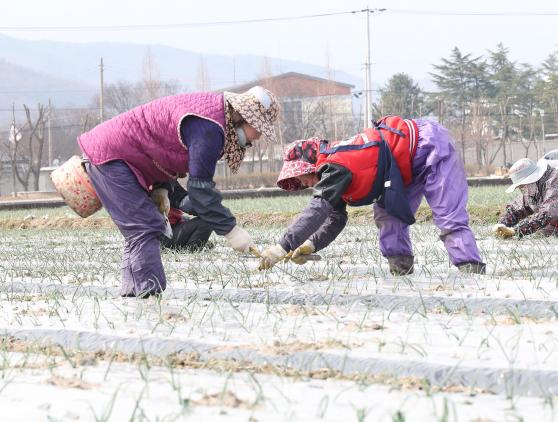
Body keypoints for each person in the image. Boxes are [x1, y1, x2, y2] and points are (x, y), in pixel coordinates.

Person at [78, 86, 280, 297]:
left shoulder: (213, 116)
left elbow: (164, 143)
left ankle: (133, 293)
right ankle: (149, 295)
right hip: (112, 155)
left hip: (114, 153)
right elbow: (199, 189)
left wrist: (162, 188)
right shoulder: (210, 128)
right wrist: (231, 230)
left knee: (139, 231)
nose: (257, 137)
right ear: (242, 117)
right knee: (145, 227)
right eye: (257, 128)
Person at [258, 116, 486, 275]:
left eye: (301, 177)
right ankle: (401, 270)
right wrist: (310, 244)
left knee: (447, 215)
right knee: (388, 217)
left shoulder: (335, 166)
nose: (303, 183)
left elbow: (317, 209)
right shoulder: (333, 177)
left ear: (311, 163)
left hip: (428, 146)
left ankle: (470, 268)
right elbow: (334, 219)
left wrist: (282, 247)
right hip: (399, 170)